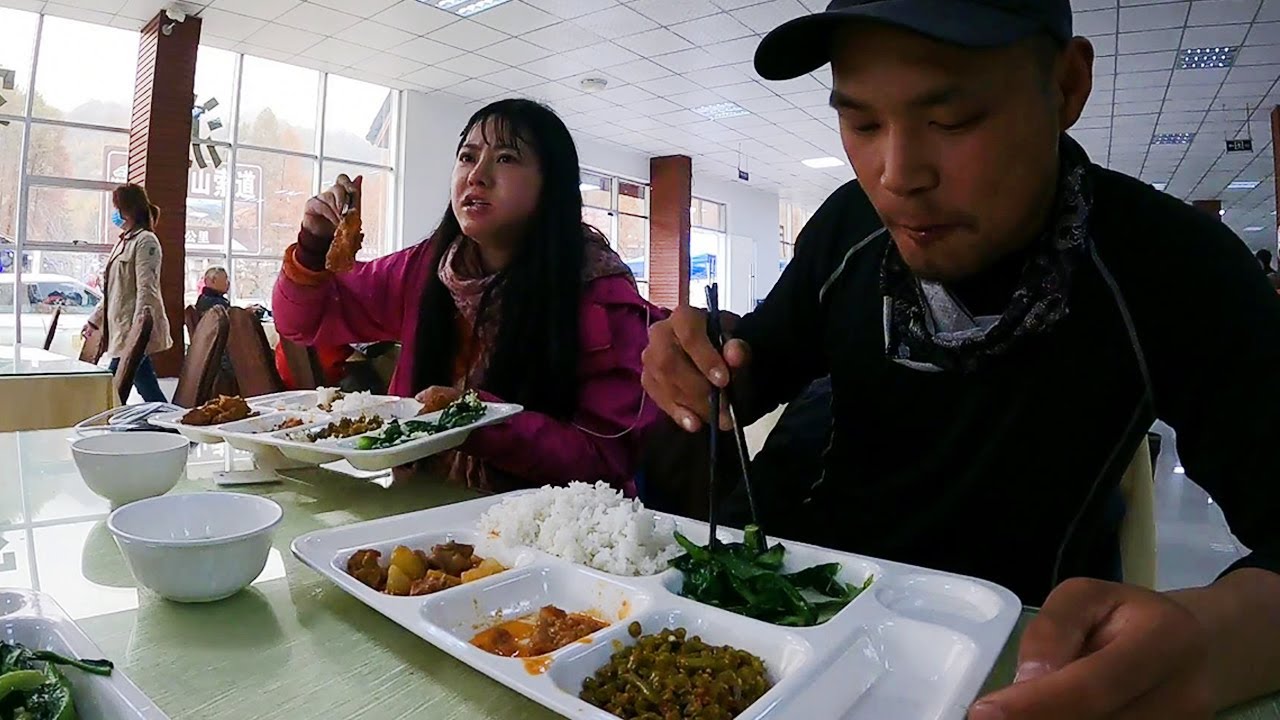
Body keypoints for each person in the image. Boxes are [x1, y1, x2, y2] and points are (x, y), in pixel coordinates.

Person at [641, 2, 1280, 718]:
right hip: (801, 627)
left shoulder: (1171, 268)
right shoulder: (848, 229)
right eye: (861, 123)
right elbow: (756, 362)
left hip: (1015, 657)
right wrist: (699, 358)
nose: (897, 175)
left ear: (1067, 87)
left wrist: (1212, 639)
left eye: (953, 120)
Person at [273, 99, 661, 493]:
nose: (477, 175)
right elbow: (304, 321)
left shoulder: (601, 297)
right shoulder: (425, 268)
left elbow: (608, 460)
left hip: (540, 533)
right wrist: (312, 243)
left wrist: (475, 417)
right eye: (467, 156)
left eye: (506, 158)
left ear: (552, 184)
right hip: (420, 516)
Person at [84, 184, 171, 404]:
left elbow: (146, 289)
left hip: (131, 331)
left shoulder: (146, 241)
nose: (116, 213)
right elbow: (112, 290)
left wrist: (138, 330)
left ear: (128, 210)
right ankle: (172, 429)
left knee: (113, 389)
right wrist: (94, 321)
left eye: (118, 208)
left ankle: (170, 429)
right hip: (120, 330)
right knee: (147, 391)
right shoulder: (123, 242)